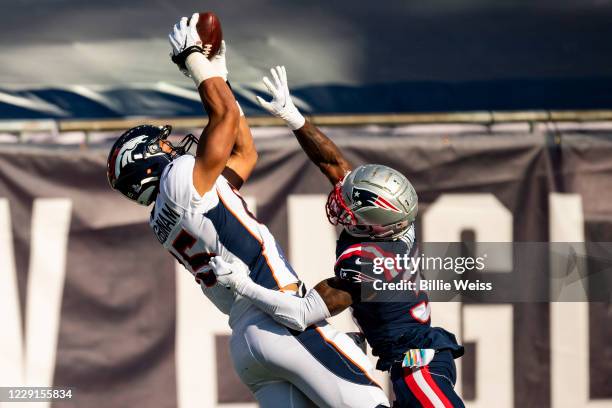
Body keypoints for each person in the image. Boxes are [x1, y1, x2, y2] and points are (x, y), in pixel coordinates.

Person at [106, 14, 389, 408]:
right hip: (281, 317)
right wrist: (194, 62)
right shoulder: (181, 178)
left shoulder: (166, 213)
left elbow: (244, 152)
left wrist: (219, 73)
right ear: (148, 160)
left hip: (247, 345)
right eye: (164, 146)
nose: (173, 148)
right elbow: (221, 119)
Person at [210, 66, 465, 407]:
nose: (341, 202)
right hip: (414, 357)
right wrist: (295, 118)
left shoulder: (370, 265)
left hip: (418, 364)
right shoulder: (395, 226)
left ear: (376, 227)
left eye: (352, 206)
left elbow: (300, 314)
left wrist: (243, 286)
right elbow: (333, 164)